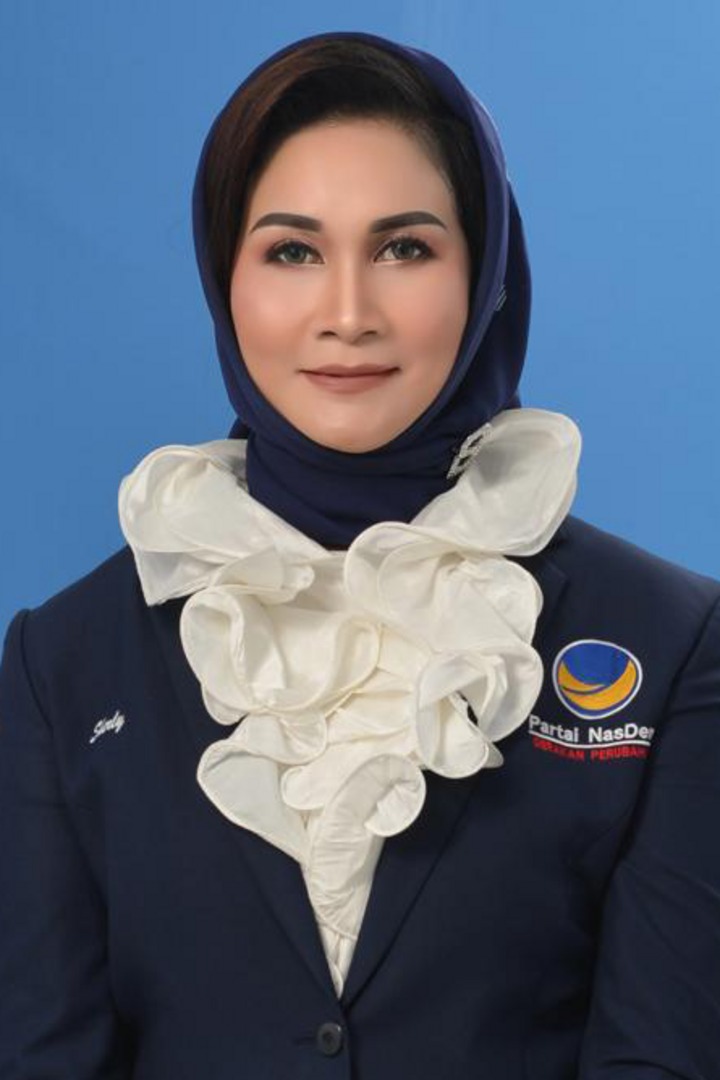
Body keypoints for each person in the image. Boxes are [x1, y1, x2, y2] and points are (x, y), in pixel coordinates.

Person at [1, 29, 719, 1079]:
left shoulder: (670, 640)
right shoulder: (60, 663)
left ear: (486, 276)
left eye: (404, 249)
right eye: (292, 252)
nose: (347, 315)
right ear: (224, 279)